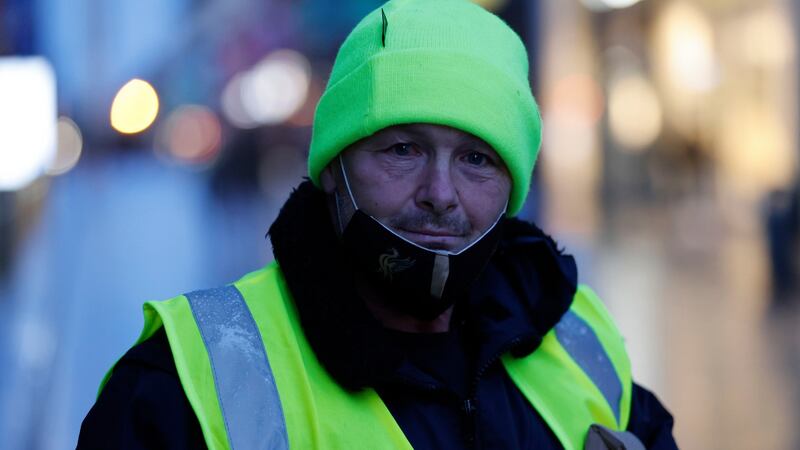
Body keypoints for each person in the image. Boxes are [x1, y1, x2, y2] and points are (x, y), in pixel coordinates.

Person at [78, 0, 678, 448]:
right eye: (402, 150)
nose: (441, 195)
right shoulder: (186, 386)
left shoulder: (582, 344)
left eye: (477, 159)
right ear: (334, 170)